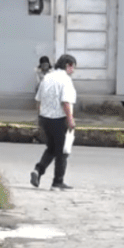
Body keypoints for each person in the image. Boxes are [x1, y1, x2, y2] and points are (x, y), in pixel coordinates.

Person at [30, 54, 77, 191]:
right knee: (62, 151)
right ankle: (58, 181)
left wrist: (39, 117)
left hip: (45, 118)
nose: (73, 71)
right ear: (67, 65)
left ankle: (38, 170)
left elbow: (38, 100)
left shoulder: (47, 78)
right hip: (59, 119)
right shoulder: (65, 80)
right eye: (72, 67)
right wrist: (70, 119)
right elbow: (66, 102)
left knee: (51, 148)